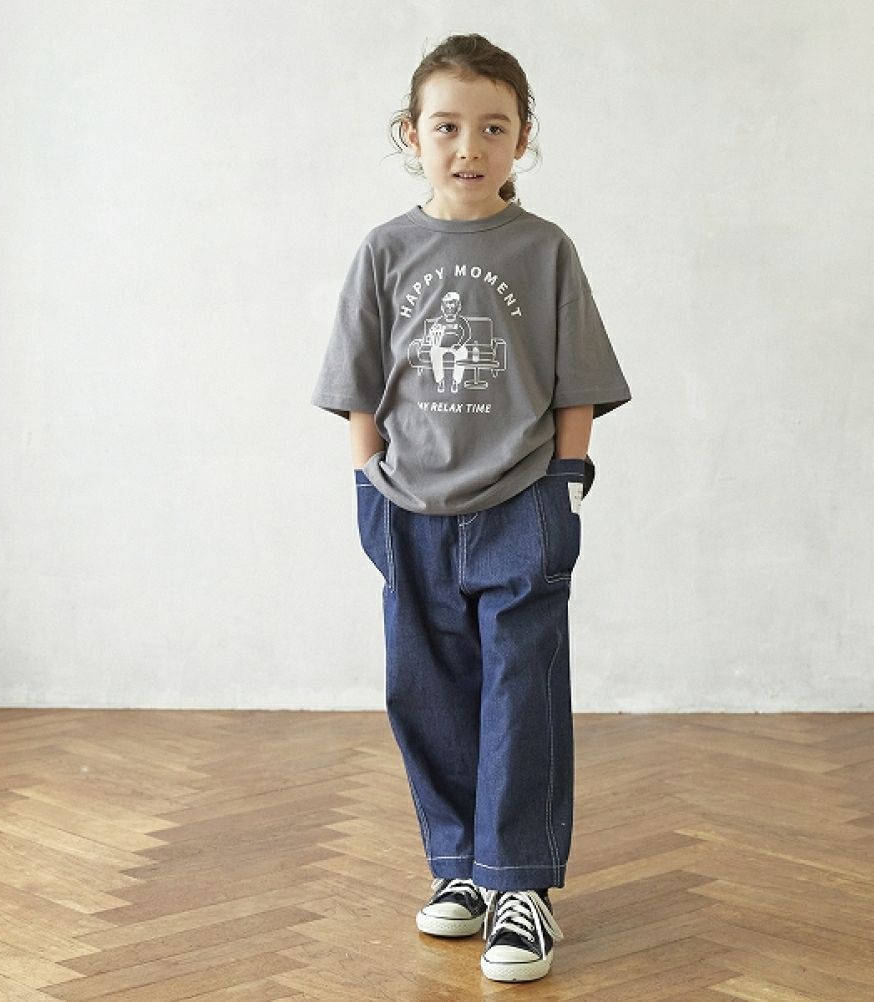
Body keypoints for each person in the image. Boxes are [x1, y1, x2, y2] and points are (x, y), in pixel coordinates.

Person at [311, 33, 631, 983]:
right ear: (411, 135)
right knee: (427, 690)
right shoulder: (386, 249)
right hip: (407, 507)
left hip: (523, 501)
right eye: (447, 126)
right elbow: (357, 381)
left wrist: (566, 479)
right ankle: (459, 866)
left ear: (522, 138)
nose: (469, 146)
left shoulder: (544, 249)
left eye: (494, 127)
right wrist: (368, 481)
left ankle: (520, 885)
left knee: (520, 690)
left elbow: (577, 378)